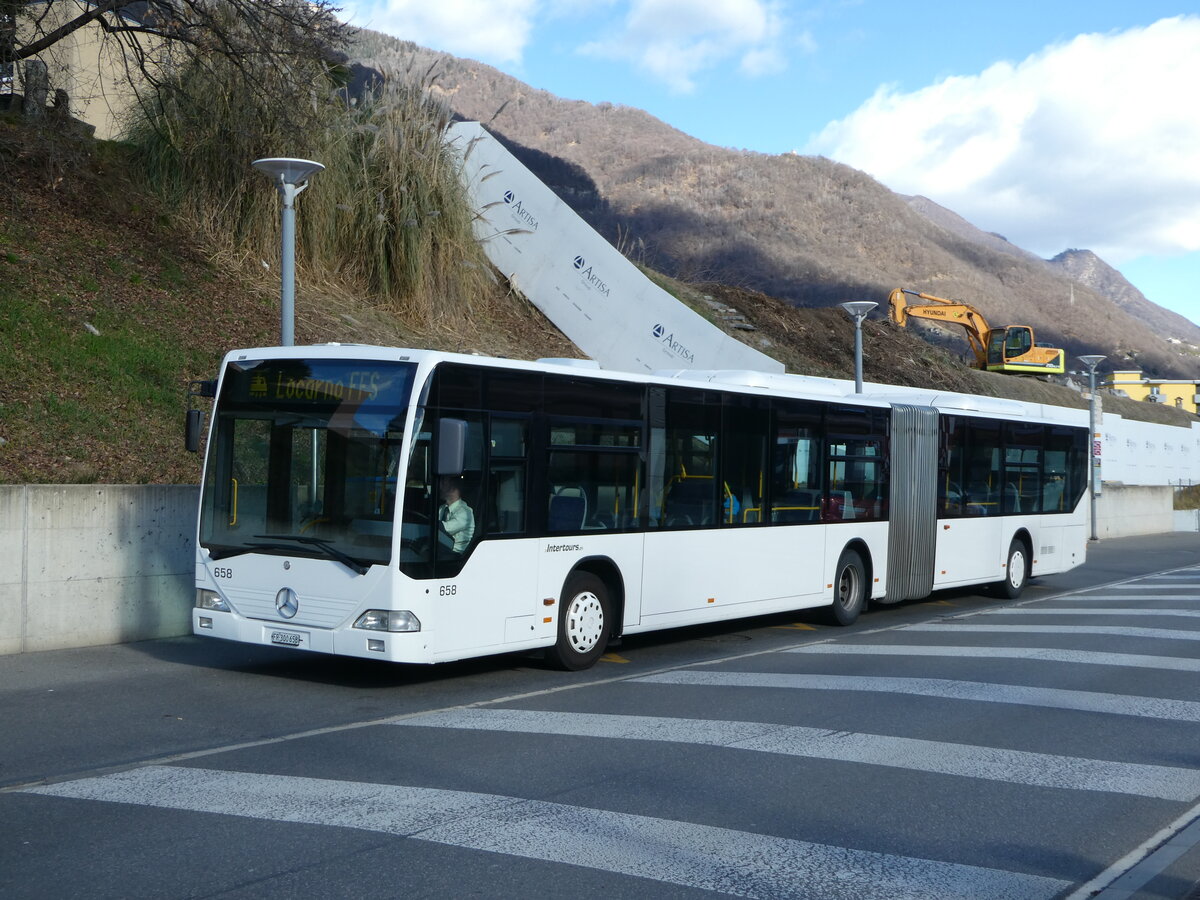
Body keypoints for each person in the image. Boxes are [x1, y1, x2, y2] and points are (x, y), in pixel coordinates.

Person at [437, 475, 475, 554]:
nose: (439, 486)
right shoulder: (441, 508)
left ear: (453, 487)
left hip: (456, 557)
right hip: (441, 551)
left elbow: (442, 529)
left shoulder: (465, 512)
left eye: (443, 482)